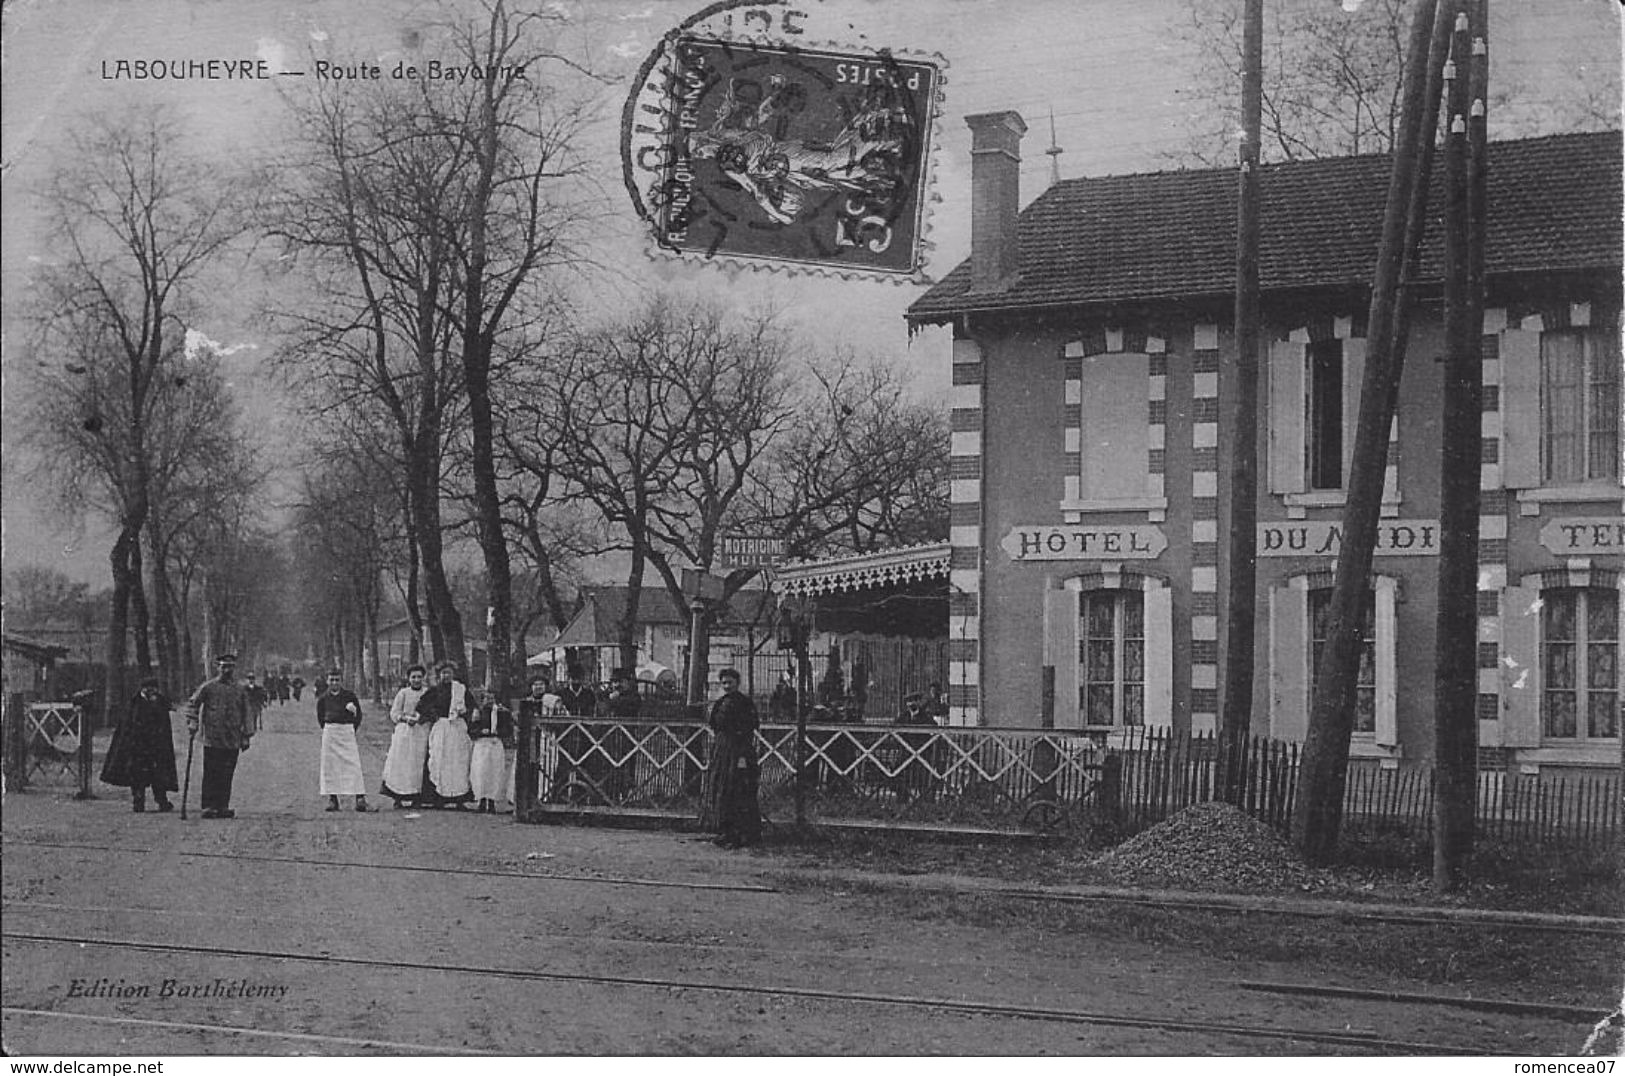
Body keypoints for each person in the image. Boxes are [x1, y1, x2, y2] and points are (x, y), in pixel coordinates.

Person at [186, 653, 254, 819]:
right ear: (218, 668)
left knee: (227, 773)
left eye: (230, 667)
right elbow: (192, 704)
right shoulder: (208, 687)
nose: (227, 670)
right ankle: (208, 806)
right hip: (212, 738)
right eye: (224, 666)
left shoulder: (240, 690)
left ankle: (223, 806)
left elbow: (247, 713)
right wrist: (192, 722)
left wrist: (246, 736)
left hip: (232, 739)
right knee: (211, 772)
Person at [100, 677, 179, 813]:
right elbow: (127, 726)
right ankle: (138, 801)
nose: (151, 691)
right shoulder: (134, 703)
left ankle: (162, 801)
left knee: (158, 775)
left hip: (156, 746)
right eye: (148, 688)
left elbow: (168, 711)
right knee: (137, 776)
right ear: (142, 688)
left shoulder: (159, 700)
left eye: (154, 688)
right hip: (138, 747)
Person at [705, 667, 761, 849]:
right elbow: (714, 725)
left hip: (739, 750)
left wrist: (743, 757)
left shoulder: (745, 703)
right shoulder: (721, 702)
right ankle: (725, 831)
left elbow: (749, 728)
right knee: (722, 789)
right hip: (722, 751)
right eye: (724, 683)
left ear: (738, 683)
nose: (727, 686)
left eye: (730, 682)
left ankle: (743, 834)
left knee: (739, 791)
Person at [316, 669, 372, 813]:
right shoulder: (323, 698)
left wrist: (350, 729)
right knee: (330, 765)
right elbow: (321, 717)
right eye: (332, 680)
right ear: (327, 681)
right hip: (331, 732)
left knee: (353, 764)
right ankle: (333, 799)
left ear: (341, 681)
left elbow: (358, 715)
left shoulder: (350, 696)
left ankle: (360, 798)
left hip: (346, 732)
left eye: (337, 680)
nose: (334, 683)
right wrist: (330, 727)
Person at [423, 663, 473, 808]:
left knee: (458, 760)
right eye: (443, 673)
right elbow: (422, 706)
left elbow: (471, 705)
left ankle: (459, 798)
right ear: (439, 675)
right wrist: (434, 715)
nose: (446, 676)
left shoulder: (460, 689)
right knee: (439, 759)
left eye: (449, 673)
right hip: (441, 726)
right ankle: (438, 797)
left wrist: (467, 712)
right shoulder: (434, 691)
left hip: (457, 727)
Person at [380, 664, 430, 808]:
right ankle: (398, 796)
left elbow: (431, 711)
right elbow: (394, 713)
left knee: (417, 764)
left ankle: (416, 796)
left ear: (423, 678)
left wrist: (421, 718)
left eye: (419, 677)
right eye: (413, 677)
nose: (416, 680)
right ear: (408, 679)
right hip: (405, 732)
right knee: (402, 763)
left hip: (421, 732)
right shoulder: (403, 693)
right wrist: (405, 719)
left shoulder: (427, 693)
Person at [467, 689, 514, 814]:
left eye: (492, 698)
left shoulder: (502, 713)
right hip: (481, 744)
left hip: (495, 743)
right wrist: (480, 732)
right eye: (486, 698)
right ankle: (481, 800)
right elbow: (471, 730)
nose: (489, 700)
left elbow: (508, 730)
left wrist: (498, 732)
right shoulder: (477, 713)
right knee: (480, 772)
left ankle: (492, 801)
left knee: (495, 772)